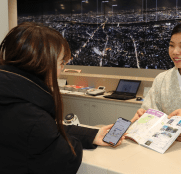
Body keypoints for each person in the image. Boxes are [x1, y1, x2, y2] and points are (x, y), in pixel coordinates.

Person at [0, 22, 125, 174]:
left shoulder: (13, 97)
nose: (62, 69)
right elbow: (66, 158)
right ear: (42, 63)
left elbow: (49, 130)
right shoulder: (33, 116)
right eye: (61, 63)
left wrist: (92, 135)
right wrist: (76, 143)